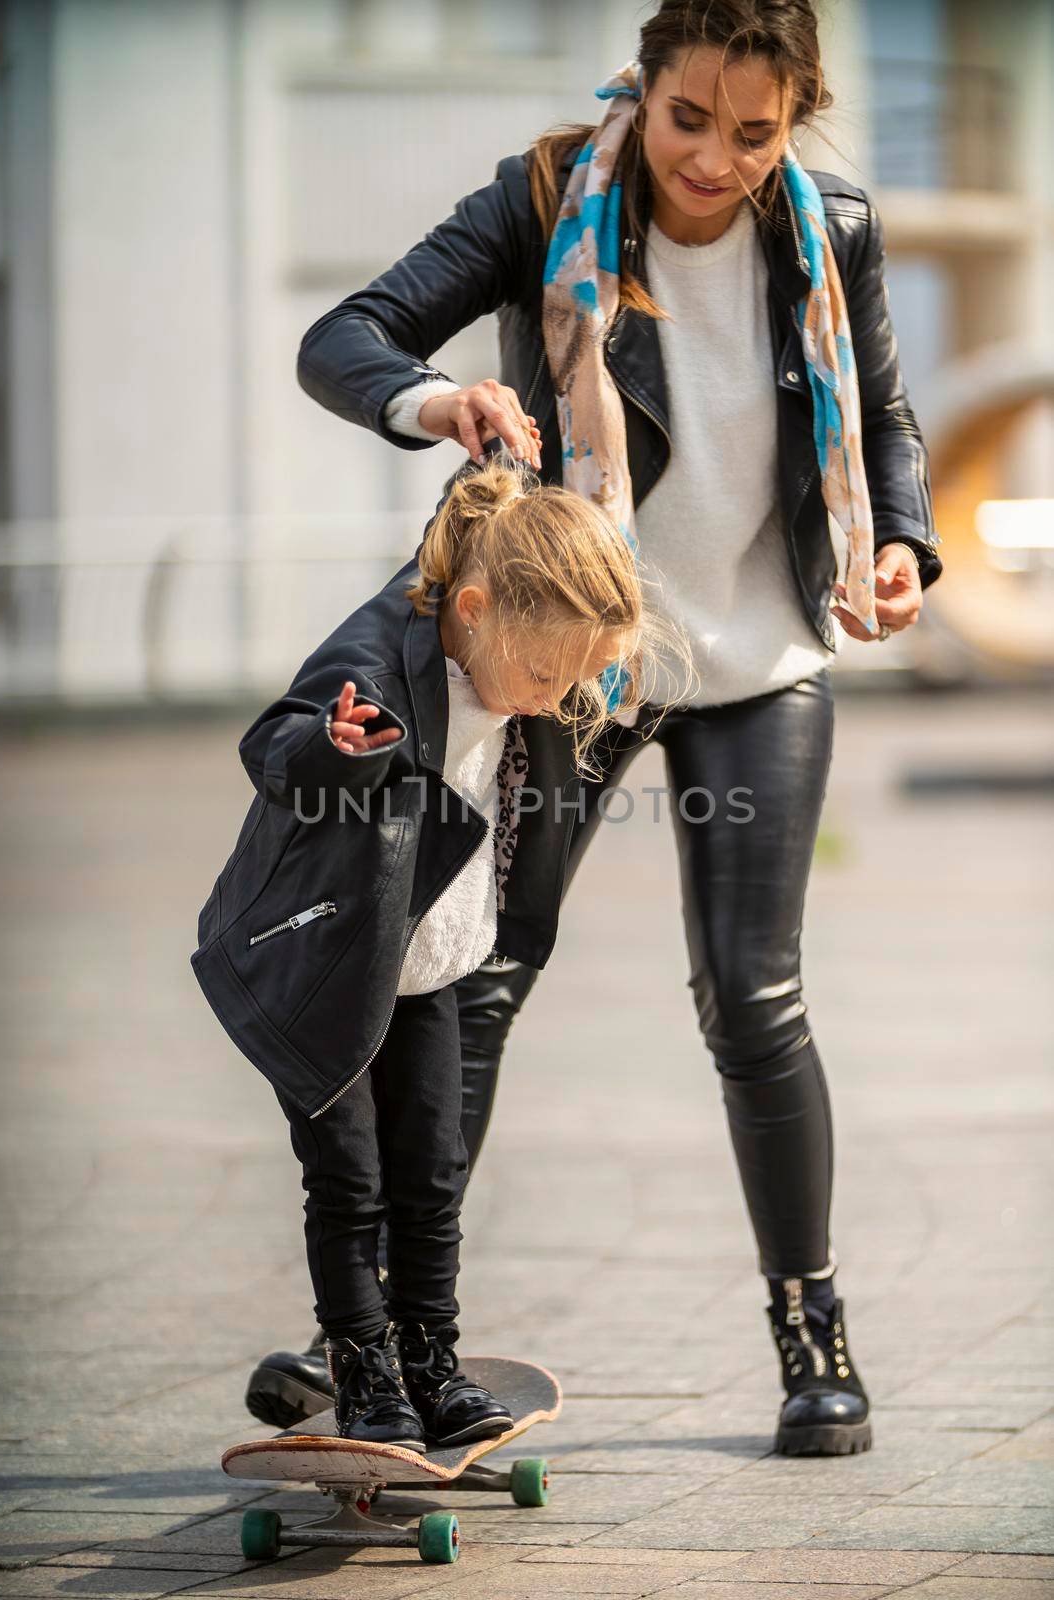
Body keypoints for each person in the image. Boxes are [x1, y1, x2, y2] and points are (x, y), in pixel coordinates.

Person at [247, 0, 943, 1457]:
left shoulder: (833, 232)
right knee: (479, 975)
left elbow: (880, 411)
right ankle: (365, 1327)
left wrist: (897, 545)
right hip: (576, 656)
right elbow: (344, 335)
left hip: (756, 658)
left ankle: (811, 1337)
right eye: (688, 118)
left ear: (794, 114)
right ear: (647, 84)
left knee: (752, 1001)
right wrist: (434, 400)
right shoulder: (543, 198)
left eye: (754, 133)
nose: (712, 156)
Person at [191, 456, 663, 1449]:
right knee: (351, 1176)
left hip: (432, 958)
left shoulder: (522, 626)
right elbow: (270, 747)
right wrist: (334, 745)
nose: (547, 701)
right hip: (327, 963)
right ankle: (362, 1371)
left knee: (433, 1170)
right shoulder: (375, 650)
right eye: (543, 676)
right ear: (477, 608)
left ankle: (431, 1358)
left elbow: (514, 559)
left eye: (572, 682)